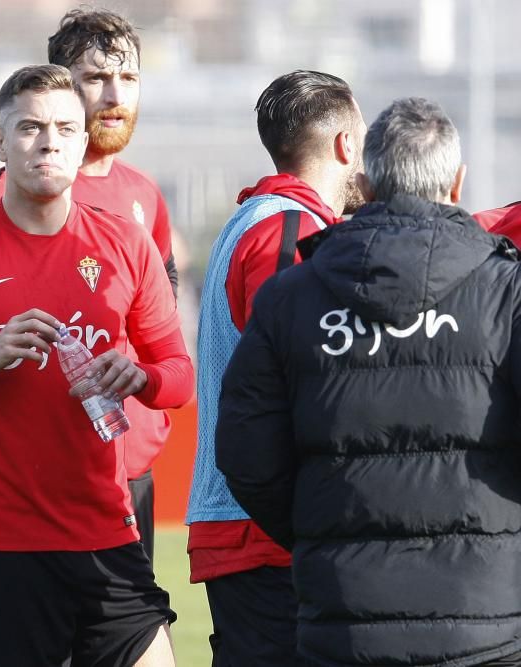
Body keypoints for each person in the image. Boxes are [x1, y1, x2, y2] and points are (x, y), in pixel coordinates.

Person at [0, 64, 193, 667]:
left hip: (109, 537)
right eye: (30, 127)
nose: (49, 141)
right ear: (0, 143)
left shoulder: (127, 243)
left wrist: (142, 378)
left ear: (83, 141)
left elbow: (178, 374)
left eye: (65, 128)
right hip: (2, 549)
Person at [216, 96, 521, 667]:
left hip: (341, 619)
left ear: (369, 182)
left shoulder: (290, 295)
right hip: (485, 622)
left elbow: (244, 451)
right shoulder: (506, 293)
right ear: (457, 184)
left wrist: (318, 527)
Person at [0, 7, 176, 561]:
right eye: (95, 78)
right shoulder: (2, 200)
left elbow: (161, 336)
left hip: (131, 474)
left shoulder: (144, 194)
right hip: (45, 489)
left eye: (127, 79)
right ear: (60, 89)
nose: (114, 96)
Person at [186, 70, 366, 665]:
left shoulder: (264, 217)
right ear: (345, 144)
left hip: (250, 524)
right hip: (264, 529)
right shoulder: (289, 231)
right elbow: (300, 384)